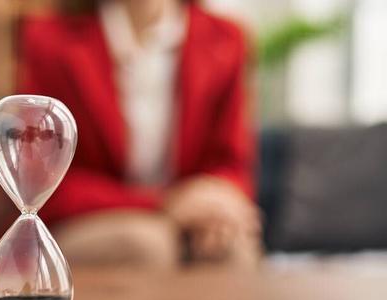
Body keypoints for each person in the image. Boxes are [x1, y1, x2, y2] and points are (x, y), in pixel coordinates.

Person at [18, 0, 260, 269]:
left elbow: (231, 162)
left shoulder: (226, 38)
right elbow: (41, 182)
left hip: (192, 219)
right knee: (147, 245)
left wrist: (218, 202)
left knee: (230, 249)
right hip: (88, 220)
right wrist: (166, 203)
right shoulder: (50, 39)